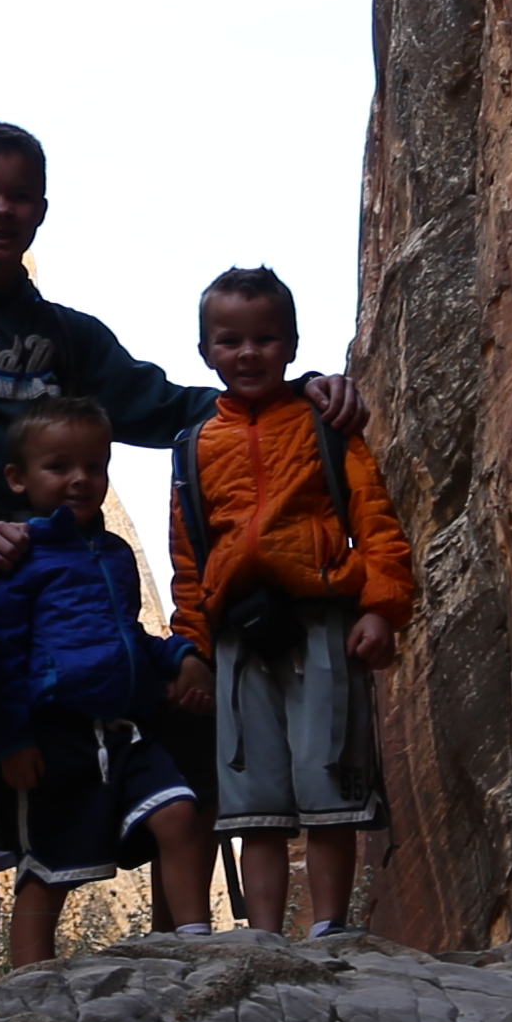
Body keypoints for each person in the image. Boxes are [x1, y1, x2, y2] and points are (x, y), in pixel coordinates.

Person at [0, 121, 352, 987]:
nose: (1, 211)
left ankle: (177, 955)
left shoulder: (67, 336)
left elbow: (167, 407)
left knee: (186, 721)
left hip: (74, 585)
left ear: (43, 206)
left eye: (18, 195)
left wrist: (288, 398)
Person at [168, 263, 414, 938]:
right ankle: (264, 938)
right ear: (204, 352)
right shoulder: (194, 447)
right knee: (256, 799)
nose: (248, 354)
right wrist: (191, 648)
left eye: (266, 339)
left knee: (328, 778)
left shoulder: (325, 427)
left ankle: (329, 927)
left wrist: (380, 609)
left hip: (320, 624)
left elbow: (376, 520)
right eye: (229, 341)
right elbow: (188, 560)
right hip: (238, 640)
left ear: (294, 344)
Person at [0, 402, 216, 962]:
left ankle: (194, 951)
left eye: (95, 466)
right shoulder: (22, 556)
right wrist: (13, 741)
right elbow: (1, 655)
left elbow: (128, 635)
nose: (80, 479)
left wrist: (180, 656)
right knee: (50, 868)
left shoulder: (113, 554)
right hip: (58, 733)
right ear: (19, 478)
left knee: (179, 815)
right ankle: (28, 989)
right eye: (59, 467)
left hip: (127, 728)